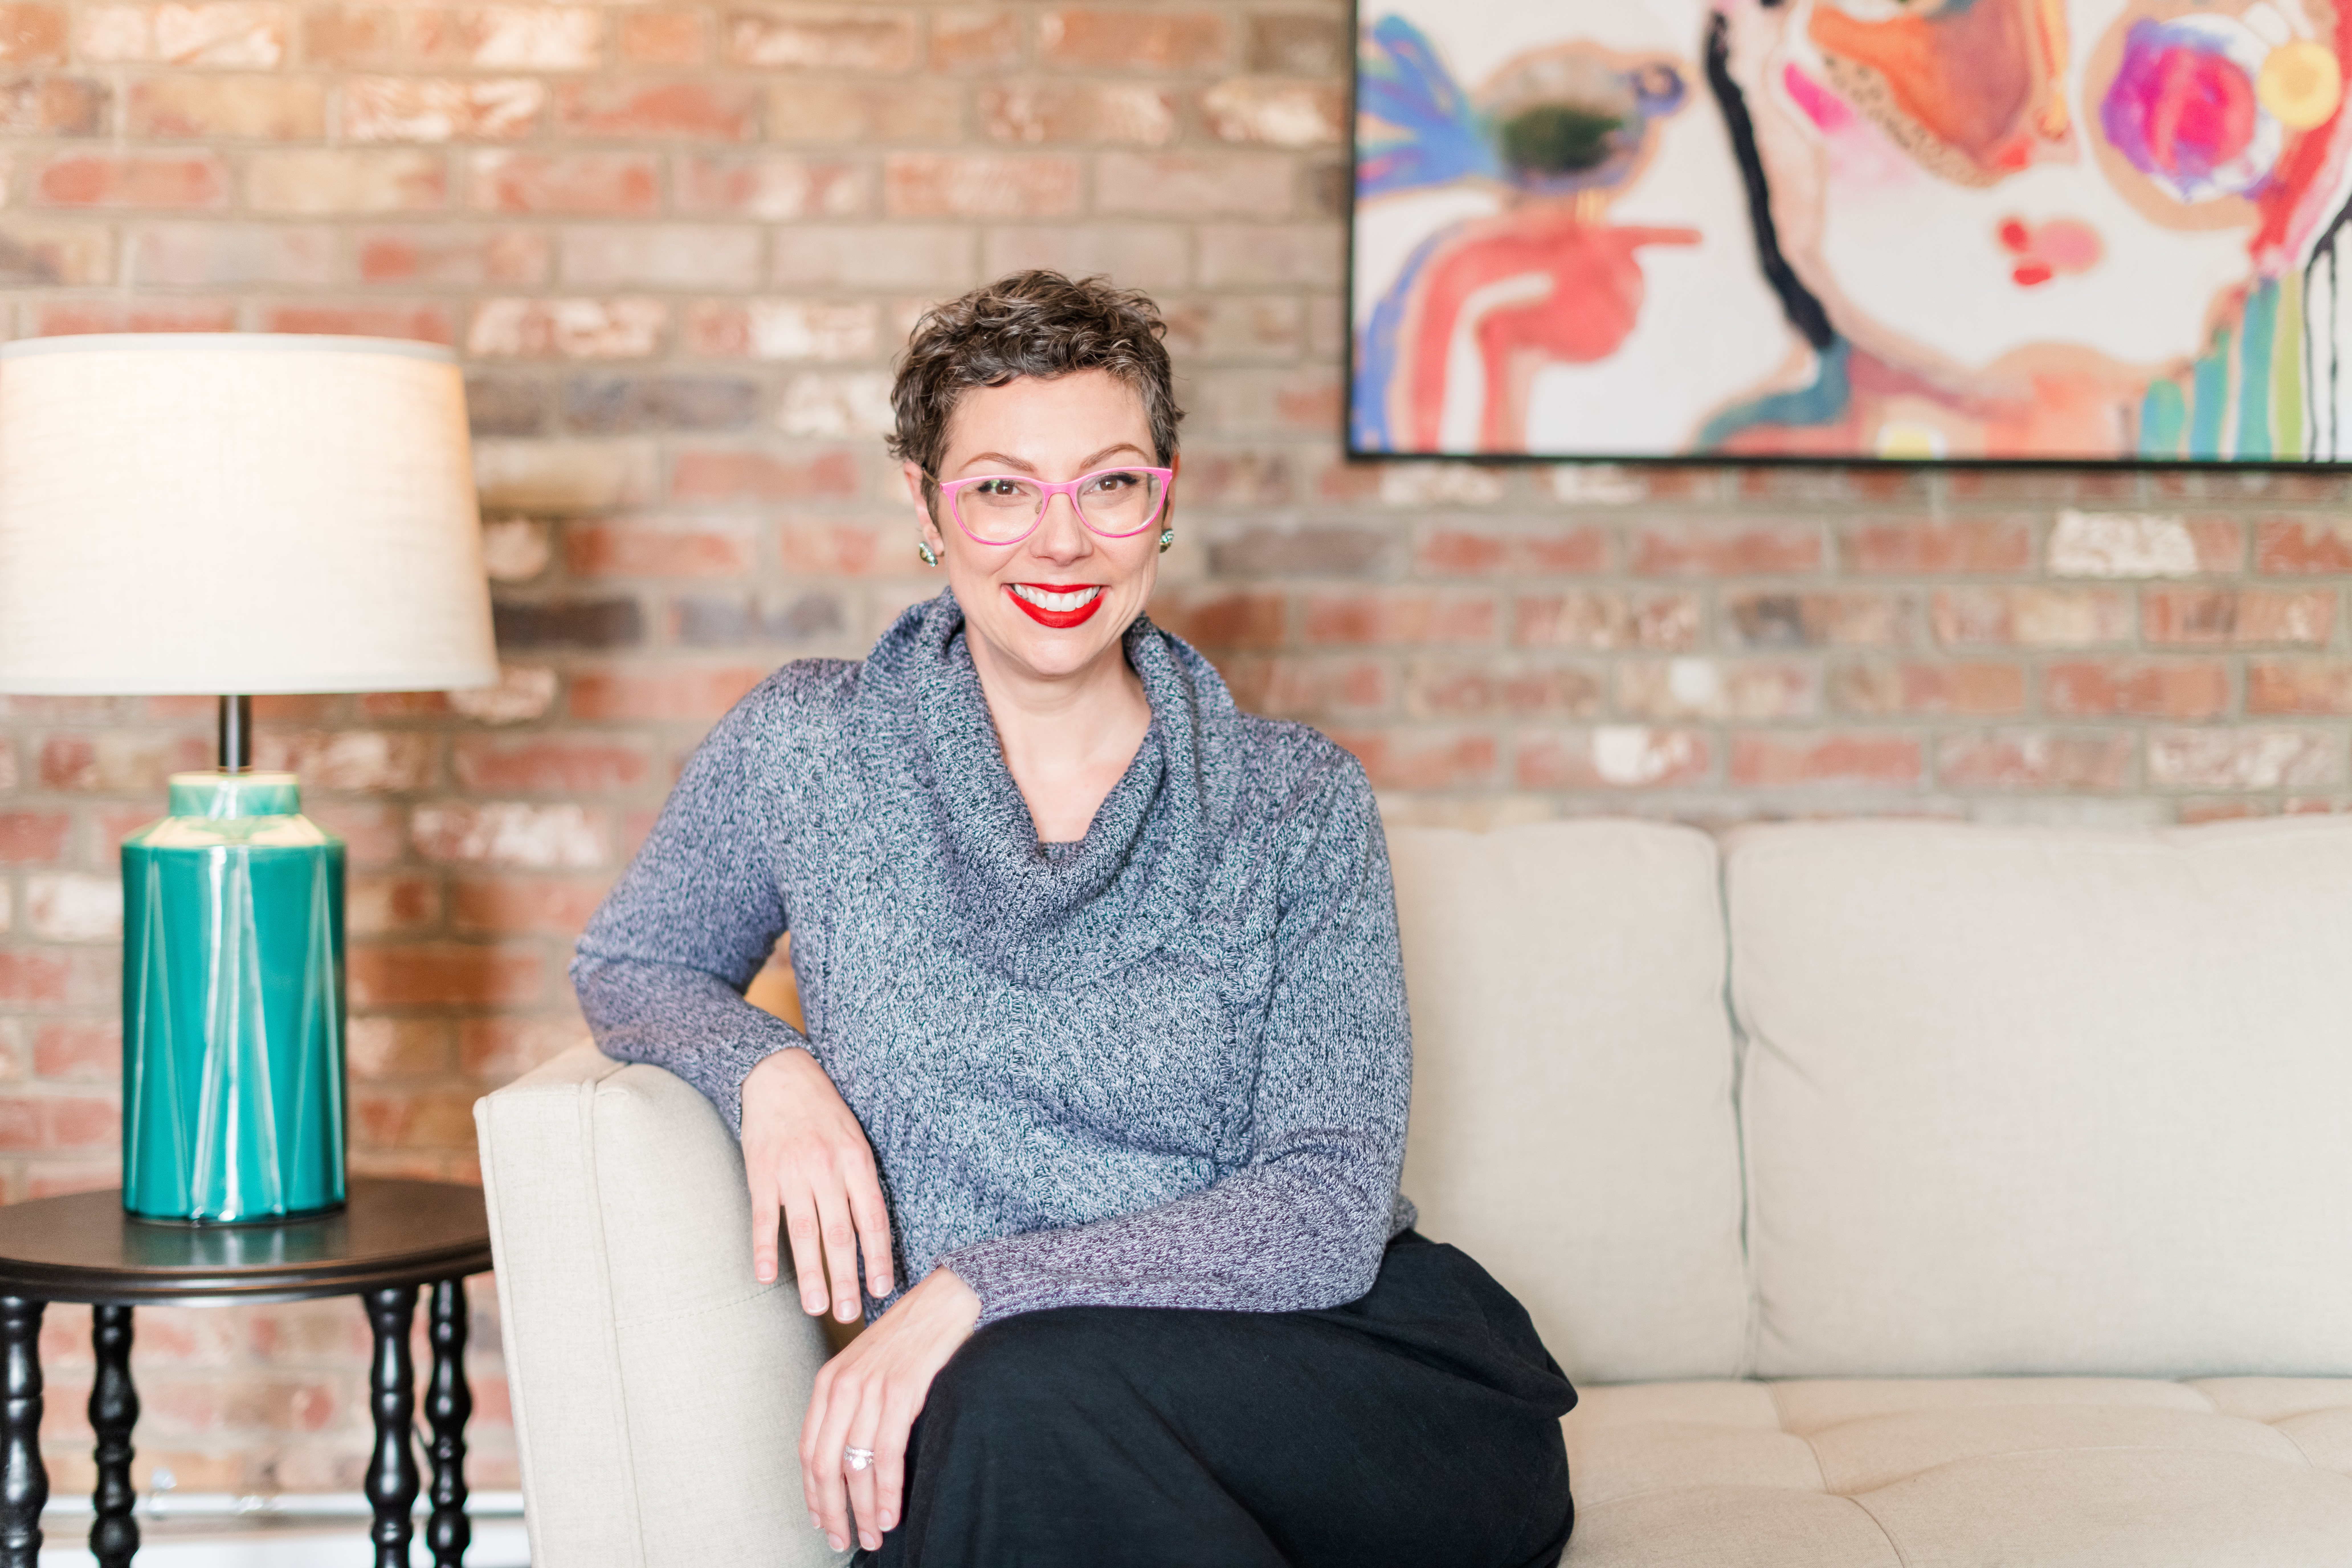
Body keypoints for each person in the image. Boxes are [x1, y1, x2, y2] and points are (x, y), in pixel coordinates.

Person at [571, 270, 1577, 1567]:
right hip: (1025, 1417)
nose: (1061, 541)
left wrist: (979, 1287)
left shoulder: (1295, 800)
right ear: (925, 506)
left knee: (1010, 1399)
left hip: (1357, 1384)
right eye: (1001, 488)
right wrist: (766, 1064)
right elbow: (634, 960)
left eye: (1107, 484)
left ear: (1165, 498)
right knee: (1013, 1419)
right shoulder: (811, 750)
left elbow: (1325, 1207)